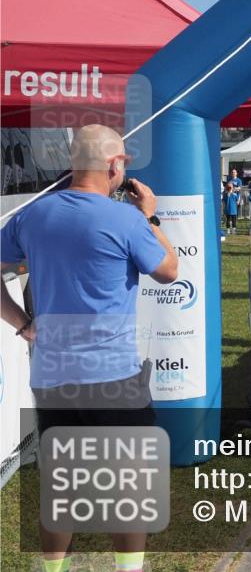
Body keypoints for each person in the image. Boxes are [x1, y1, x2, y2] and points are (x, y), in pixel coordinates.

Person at [0, 124, 178, 572]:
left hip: (53, 377)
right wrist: (151, 216)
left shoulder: (33, 215)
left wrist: (24, 325)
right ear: (114, 165)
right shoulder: (127, 220)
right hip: (113, 377)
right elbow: (170, 270)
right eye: (124, 162)